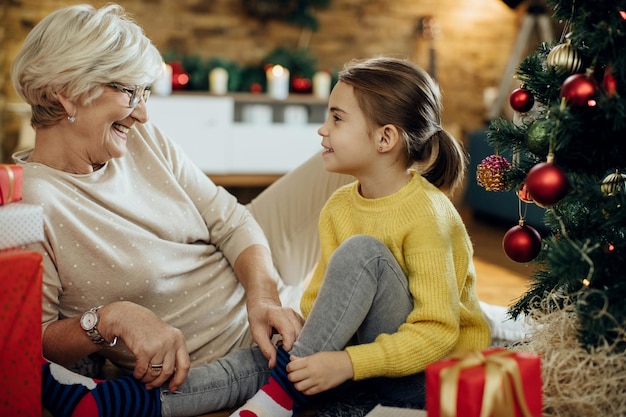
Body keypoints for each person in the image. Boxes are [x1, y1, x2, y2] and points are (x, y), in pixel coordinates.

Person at [11, 4, 352, 417]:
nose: (142, 113)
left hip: (258, 282)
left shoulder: (142, 139)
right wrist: (111, 319)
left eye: (145, 92)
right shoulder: (29, 203)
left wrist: (263, 297)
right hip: (225, 353)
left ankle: (432, 305)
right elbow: (36, 340)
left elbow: (231, 219)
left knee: (365, 147)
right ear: (67, 91)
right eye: (128, 92)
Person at [229, 57, 492, 417]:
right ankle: (141, 397)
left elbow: (437, 333)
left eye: (336, 119)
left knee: (363, 253)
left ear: (385, 138)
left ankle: (283, 396)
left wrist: (347, 363)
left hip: (426, 374)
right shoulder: (338, 206)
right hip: (367, 364)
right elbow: (320, 302)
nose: (323, 130)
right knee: (258, 360)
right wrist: (302, 335)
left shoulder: (428, 214)